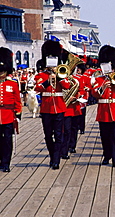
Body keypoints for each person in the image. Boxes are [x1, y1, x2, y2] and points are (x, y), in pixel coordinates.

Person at [91, 45, 115, 168]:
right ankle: (107, 155)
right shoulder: (99, 79)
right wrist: (103, 87)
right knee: (105, 137)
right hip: (103, 111)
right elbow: (94, 94)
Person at [35, 40, 71, 170]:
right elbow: (37, 88)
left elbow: (67, 86)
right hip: (46, 108)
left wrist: (58, 76)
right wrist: (47, 82)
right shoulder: (41, 75)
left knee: (59, 135)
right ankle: (52, 155)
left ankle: (56, 160)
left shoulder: (61, 74)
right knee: (48, 135)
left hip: (59, 107)